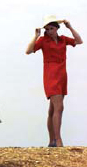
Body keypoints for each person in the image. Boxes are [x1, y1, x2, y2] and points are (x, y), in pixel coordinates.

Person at [26, 15, 83, 147]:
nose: (49, 31)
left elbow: (79, 41)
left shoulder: (63, 39)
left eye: (51, 28)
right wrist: (36, 36)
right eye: (47, 29)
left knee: (52, 109)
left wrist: (70, 27)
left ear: (57, 28)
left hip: (62, 75)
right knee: (59, 107)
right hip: (51, 75)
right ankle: (58, 140)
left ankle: (52, 140)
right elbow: (28, 51)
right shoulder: (43, 41)